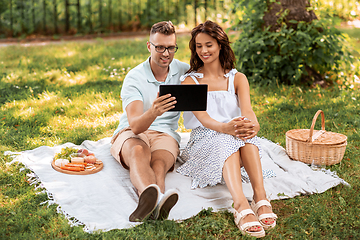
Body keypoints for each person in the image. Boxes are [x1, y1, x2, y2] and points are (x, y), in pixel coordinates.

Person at [176, 21, 277, 238]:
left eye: (209, 45)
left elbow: (247, 110)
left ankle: (261, 198)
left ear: (221, 45)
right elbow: (204, 119)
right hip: (204, 138)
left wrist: (254, 124)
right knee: (227, 139)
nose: (203, 51)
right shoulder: (190, 81)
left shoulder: (238, 78)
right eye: (199, 46)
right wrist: (226, 128)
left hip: (235, 133)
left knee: (248, 138)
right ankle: (240, 205)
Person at [110, 21, 189, 222]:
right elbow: (136, 125)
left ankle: (152, 206)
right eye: (160, 47)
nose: (166, 53)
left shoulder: (183, 71)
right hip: (133, 132)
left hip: (166, 134)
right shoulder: (134, 77)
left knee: (160, 164)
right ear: (149, 46)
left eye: (171, 47)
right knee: (138, 152)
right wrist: (153, 111)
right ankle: (152, 200)